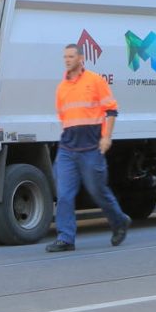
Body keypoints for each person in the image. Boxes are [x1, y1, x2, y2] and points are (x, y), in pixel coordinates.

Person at [46, 44, 131, 252]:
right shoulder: (61, 88)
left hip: (91, 148)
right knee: (64, 195)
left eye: (71, 56)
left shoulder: (95, 81)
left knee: (97, 191)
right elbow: (64, 117)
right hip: (67, 149)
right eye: (65, 56)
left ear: (81, 59)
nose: (67, 60)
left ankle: (119, 221)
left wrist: (106, 137)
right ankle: (65, 238)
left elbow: (111, 110)